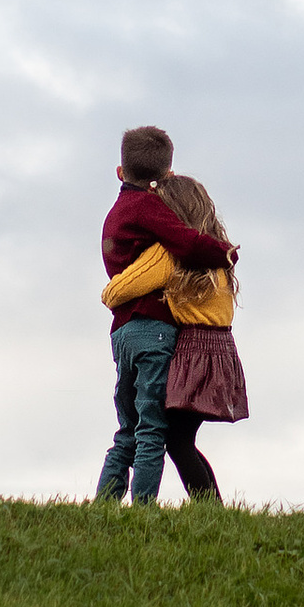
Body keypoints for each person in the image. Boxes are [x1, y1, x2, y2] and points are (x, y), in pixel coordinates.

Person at [92, 123, 239, 506]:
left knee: (129, 430)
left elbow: (121, 281)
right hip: (153, 332)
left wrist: (112, 294)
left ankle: (104, 504)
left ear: (120, 173)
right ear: (166, 177)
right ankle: (144, 508)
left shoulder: (116, 213)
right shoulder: (149, 211)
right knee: (155, 431)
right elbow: (181, 243)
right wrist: (224, 252)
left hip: (122, 332)